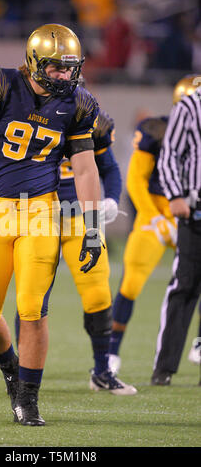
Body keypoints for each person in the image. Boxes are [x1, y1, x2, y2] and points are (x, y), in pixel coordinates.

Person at [0, 23, 105, 426]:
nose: (65, 76)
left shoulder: (80, 103)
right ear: (35, 63)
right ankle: (10, 369)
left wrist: (92, 229)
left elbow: (87, 170)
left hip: (40, 212)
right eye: (56, 68)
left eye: (70, 68)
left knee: (32, 308)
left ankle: (28, 398)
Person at [15, 108, 137, 395]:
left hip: (80, 216)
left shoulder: (94, 123)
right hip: (38, 215)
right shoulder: (24, 118)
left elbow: (108, 168)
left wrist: (109, 198)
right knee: (32, 296)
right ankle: (22, 373)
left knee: (98, 293)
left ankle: (102, 370)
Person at [107, 75, 200, 376]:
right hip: (157, 212)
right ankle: (111, 352)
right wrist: (157, 218)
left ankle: (197, 341)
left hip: (191, 212)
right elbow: (135, 179)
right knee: (131, 281)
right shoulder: (155, 129)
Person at [151, 75, 201, 386]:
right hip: (195, 212)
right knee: (184, 287)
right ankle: (165, 367)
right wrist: (175, 195)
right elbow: (169, 154)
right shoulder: (191, 105)